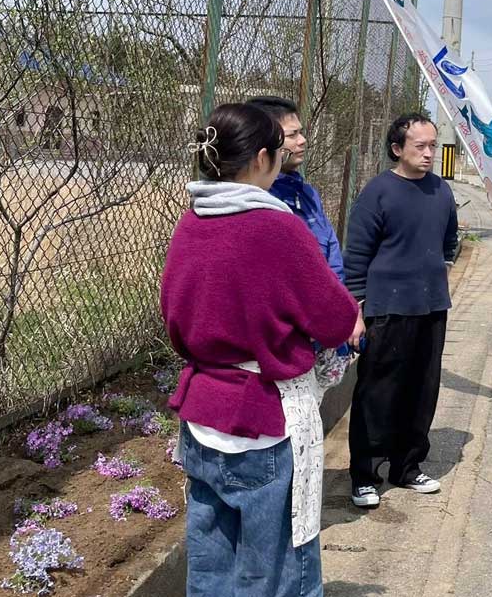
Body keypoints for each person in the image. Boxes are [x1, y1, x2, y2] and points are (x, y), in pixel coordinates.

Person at [162, 102, 364, 597]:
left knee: (210, 566)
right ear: (261, 158)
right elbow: (335, 318)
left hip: (202, 412)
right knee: (277, 572)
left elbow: (173, 312)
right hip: (263, 420)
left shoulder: (192, 221)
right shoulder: (277, 228)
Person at [345, 112, 459, 508]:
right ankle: (364, 474)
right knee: (378, 393)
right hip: (387, 309)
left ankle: (407, 467)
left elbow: (449, 241)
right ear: (397, 148)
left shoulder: (441, 191)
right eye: (420, 146)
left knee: (422, 390)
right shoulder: (377, 192)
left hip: (431, 307)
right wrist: (357, 311)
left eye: (433, 146)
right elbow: (356, 257)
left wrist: (438, 272)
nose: (429, 153)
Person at [248, 95, 345, 284]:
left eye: (301, 133)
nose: (302, 140)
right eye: (292, 135)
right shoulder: (255, 199)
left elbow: (333, 255)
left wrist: (334, 294)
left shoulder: (308, 194)